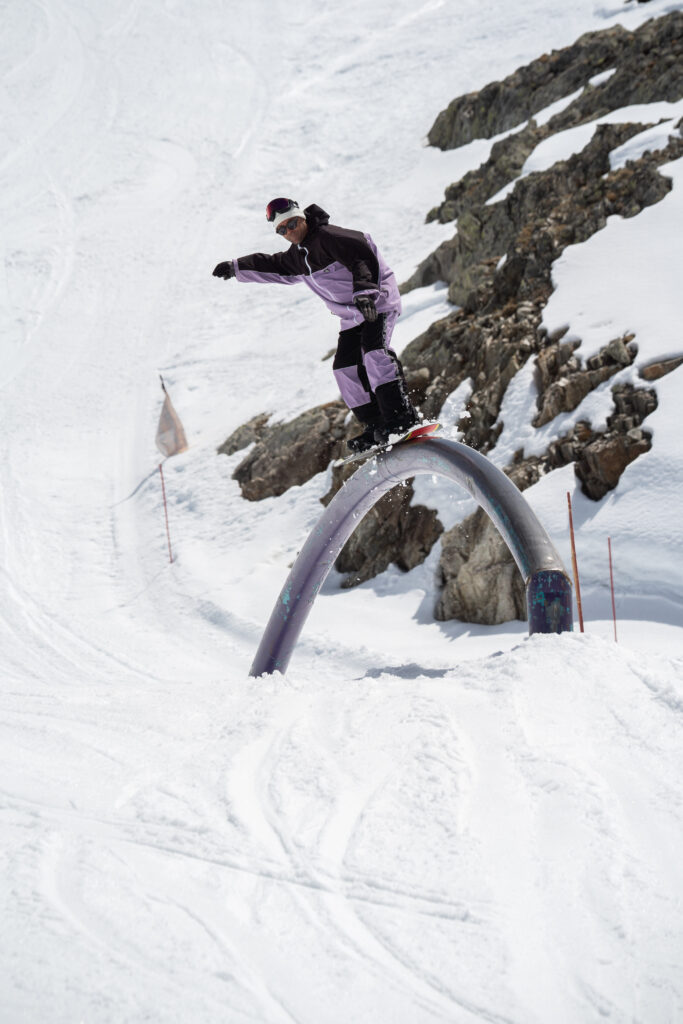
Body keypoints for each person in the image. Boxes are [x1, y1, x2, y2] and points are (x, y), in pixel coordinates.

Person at [212, 198, 419, 452]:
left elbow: (363, 257)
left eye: (293, 223)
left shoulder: (330, 237)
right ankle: (376, 427)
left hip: (376, 304)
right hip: (352, 317)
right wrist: (236, 268)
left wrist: (365, 292)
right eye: (282, 230)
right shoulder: (298, 257)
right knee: (344, 368)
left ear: (304, 218)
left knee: (374, 353)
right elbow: (272, 265)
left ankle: (402, 419)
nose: (290, 232)